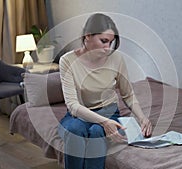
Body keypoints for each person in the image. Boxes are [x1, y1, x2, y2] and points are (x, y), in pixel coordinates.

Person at [58, 13, 152, 169]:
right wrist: (104, 122)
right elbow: (73, 105)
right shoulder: (67, 61)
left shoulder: (117, 59)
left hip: (109, 112)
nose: (108, 48)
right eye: (104, 41)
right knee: (75, 130)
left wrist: (142, 118)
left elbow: (127, 93)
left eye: (111, 42)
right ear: (88, 36)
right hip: (79, 115)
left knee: (96, 132)